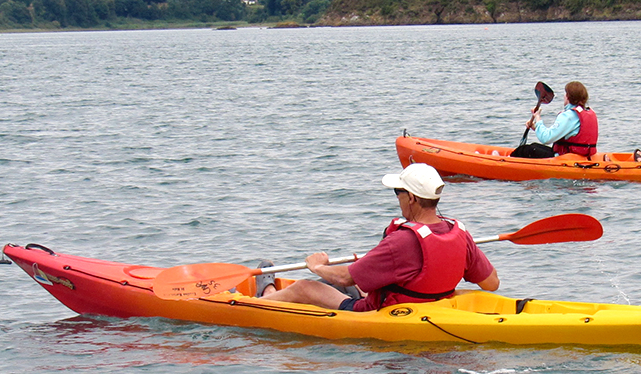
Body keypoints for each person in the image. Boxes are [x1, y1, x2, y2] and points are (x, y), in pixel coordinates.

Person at [256, 163, 499, 311]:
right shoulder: (460, 233)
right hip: (431, 306)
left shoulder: (402, 241)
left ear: (412, 198)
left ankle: (262, 298)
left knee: (303, 287)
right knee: (352, 286)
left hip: (385, 312)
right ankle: (269, 290)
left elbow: (345, 277)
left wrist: (317, 266)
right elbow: (492, 284)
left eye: (398, 193)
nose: (397, 199)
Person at [526, 81, 599, 157]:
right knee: (534, 146)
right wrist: (536, 127)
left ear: (568, 97)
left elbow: (546, 138)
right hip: (582, 156)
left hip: (567, 159)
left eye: (565, 93)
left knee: (526, 150)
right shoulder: (588, 113)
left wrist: (537, 117)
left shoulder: (569, 116)